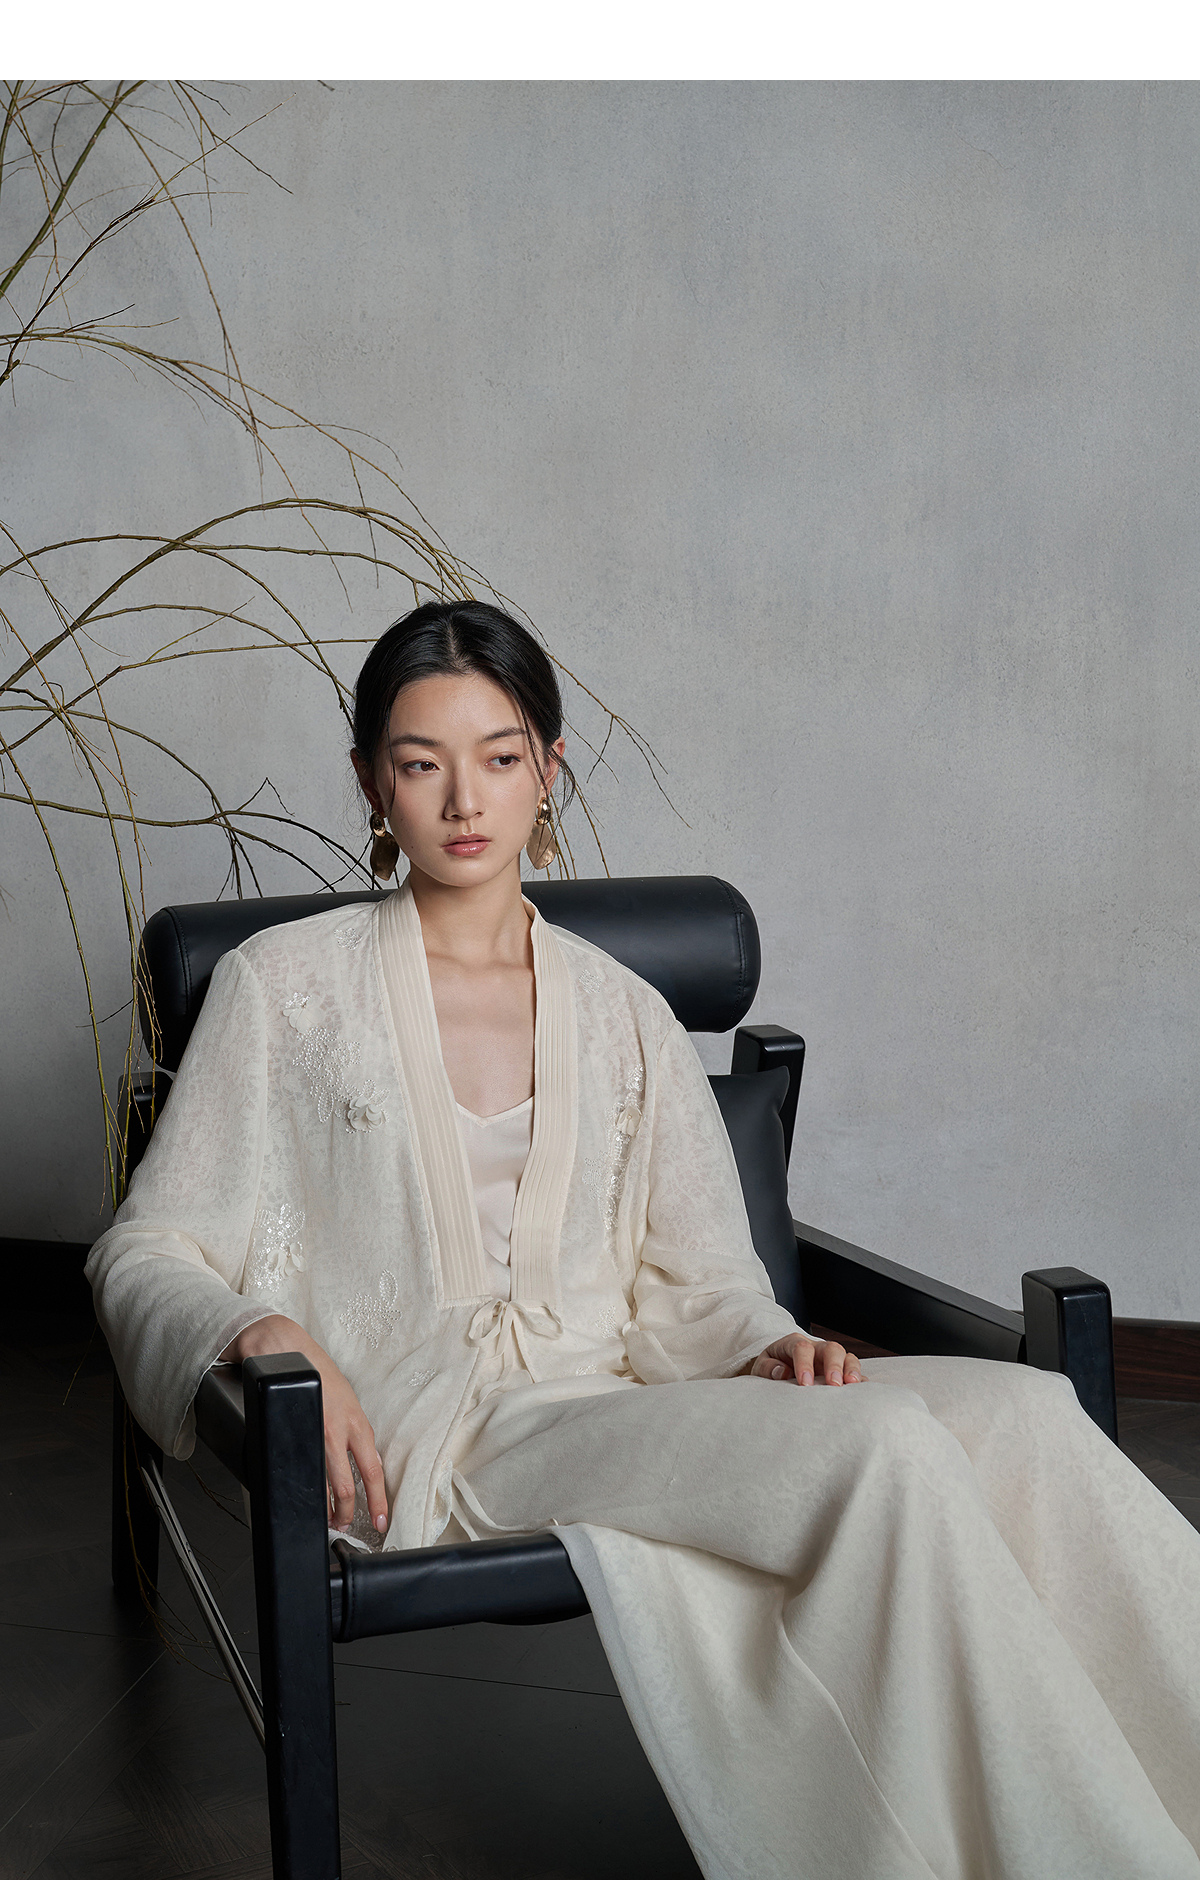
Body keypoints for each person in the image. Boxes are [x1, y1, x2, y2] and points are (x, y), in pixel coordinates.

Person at [88, 600, 1200, 1880]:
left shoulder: (625, 1011)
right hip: (451, 1437)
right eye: (421, 760)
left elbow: (705, 1273)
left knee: (1031, 1418)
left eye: (501, 756)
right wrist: (259, 1325)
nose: (465, 798)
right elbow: (142, 1247)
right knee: (886, 1447)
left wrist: (766, 1341)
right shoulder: (283, 988)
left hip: (630, 1391)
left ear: (548, 770)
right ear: (370, 781)